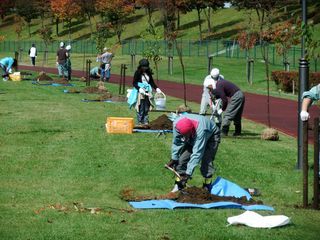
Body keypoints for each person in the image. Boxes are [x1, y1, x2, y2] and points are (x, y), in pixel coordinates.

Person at [166, 114, 220, 192]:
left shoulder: (201, 130)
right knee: (182, 160)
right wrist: (174, 158)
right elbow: (176, 142)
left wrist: (188, 174)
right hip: (193, 134)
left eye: (186, 135)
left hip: (211, 135)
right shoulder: (176, 125)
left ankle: (207, 186)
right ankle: (179, 186)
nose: (185, 137)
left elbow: (197, 153)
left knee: (207, 161)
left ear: (191, 131)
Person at [132, 58, 162, 126]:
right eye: (143, 67)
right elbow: (134, 83)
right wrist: (139, 89)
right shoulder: (137, 73)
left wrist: (156, 88)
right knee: (141, 107)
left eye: (146, 67)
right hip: (141, 93)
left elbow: (151, 82)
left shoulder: (148, 73)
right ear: (141, 66)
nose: (145, 68)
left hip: (148, 92)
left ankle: (145, 121)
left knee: (147, 107)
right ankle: (140, 121)